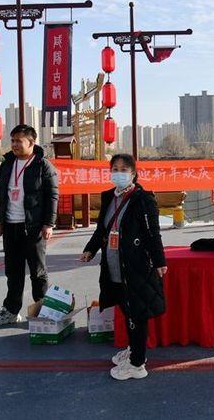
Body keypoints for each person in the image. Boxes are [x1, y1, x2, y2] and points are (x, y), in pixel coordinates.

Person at [79, 154, 167, 381]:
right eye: (115, 169)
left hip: (135, 265)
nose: (119, 173)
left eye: (124, 169)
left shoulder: (144, 199)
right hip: (113, 263)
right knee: (127, 310)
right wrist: (90, 249)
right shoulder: (109, 197)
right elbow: (101, 229)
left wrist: (159, 261)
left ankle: (137, 363)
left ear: (133, 173)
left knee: (137, 313)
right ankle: (133, 350)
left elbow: (153, 234)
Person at [0, 124, 59, 326]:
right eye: (12, 141)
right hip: (10, 226)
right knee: (13, 271)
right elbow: (1, 194)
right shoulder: (7, 164)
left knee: (38, 272)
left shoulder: (43, 166)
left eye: (19, 141)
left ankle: (43, 310)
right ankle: (11, 311)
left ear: (31, 142)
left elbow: (52, 196)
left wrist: (49, 224)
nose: (14, 145)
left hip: (33, 227)